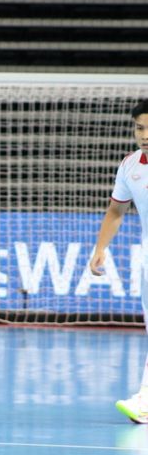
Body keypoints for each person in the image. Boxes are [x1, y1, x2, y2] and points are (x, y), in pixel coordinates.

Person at [90, 99, 148, 423]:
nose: (145, 134)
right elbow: (116, 210)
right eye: (140, 127)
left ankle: (145, 399)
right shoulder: (130, 166)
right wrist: (100, 249)